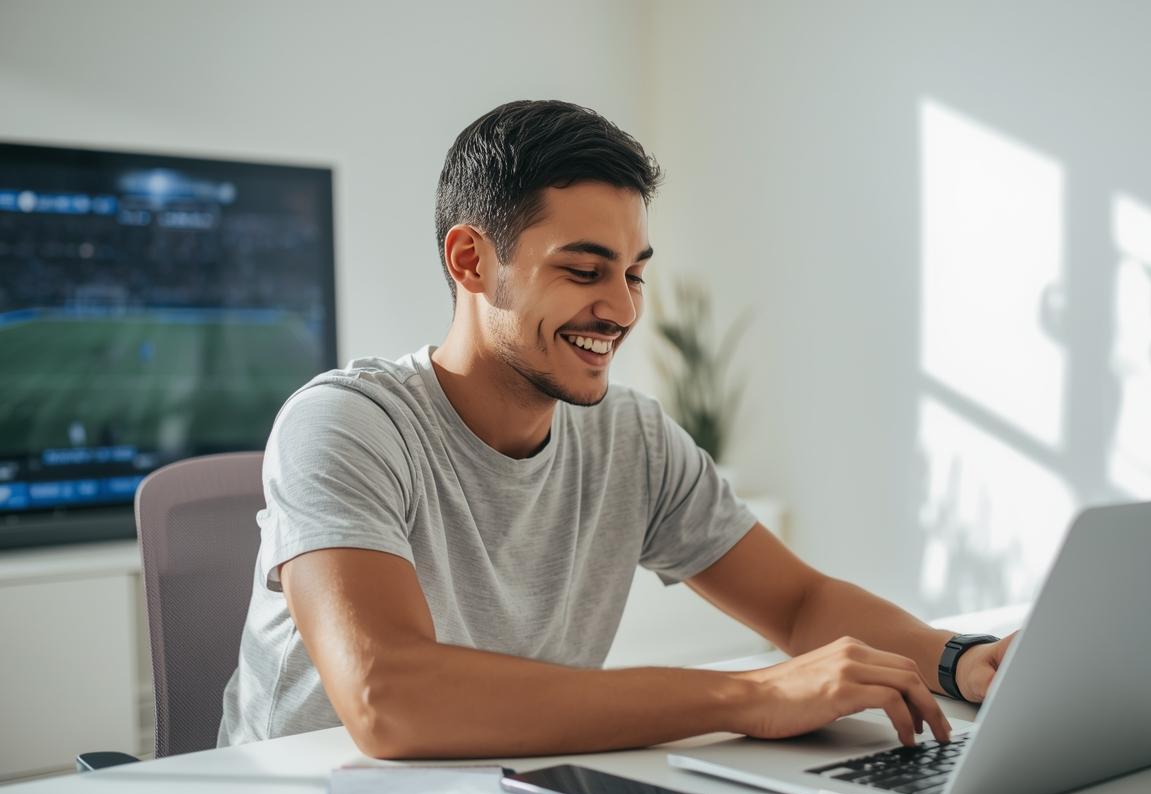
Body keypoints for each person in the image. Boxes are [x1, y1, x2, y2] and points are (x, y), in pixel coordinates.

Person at [218, 100, 1014, 758]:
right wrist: (749, 696)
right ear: (470, 259)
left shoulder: (629, 438)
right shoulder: (347, 424)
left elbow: (801, 604)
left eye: (634, 273)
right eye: (584, 270)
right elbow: (387, 697)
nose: (625, 310)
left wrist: (957, 659)